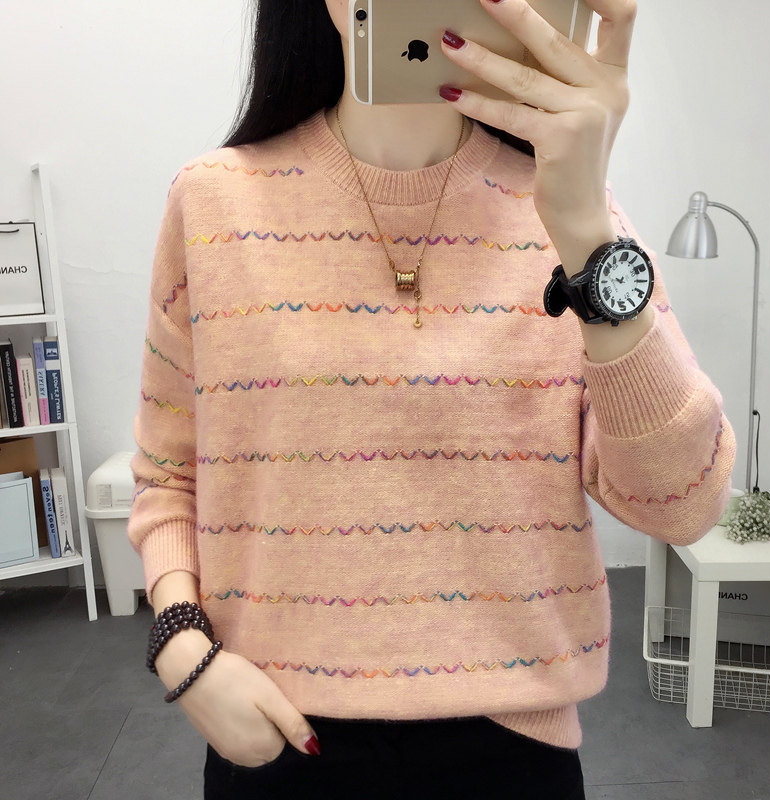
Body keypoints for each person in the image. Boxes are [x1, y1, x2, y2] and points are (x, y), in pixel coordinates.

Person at [127, 0, 736, 797]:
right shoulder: (211, 202)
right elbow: (168, 476)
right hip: (277, 734)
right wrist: (184, 651)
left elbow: (682, 503)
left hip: (512, 750)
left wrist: (586, 228)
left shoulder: (570, 215)